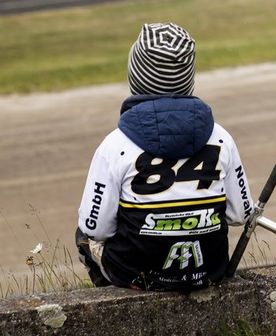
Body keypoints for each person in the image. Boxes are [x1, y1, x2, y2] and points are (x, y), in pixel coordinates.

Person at [76, 22, 253, 291]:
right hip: (209, 271)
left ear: (135, 76)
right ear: (189, 78)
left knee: (83, 237)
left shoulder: (115, 144)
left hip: (136, 275)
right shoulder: (221, 137)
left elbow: (95, 228)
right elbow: (241, 214)